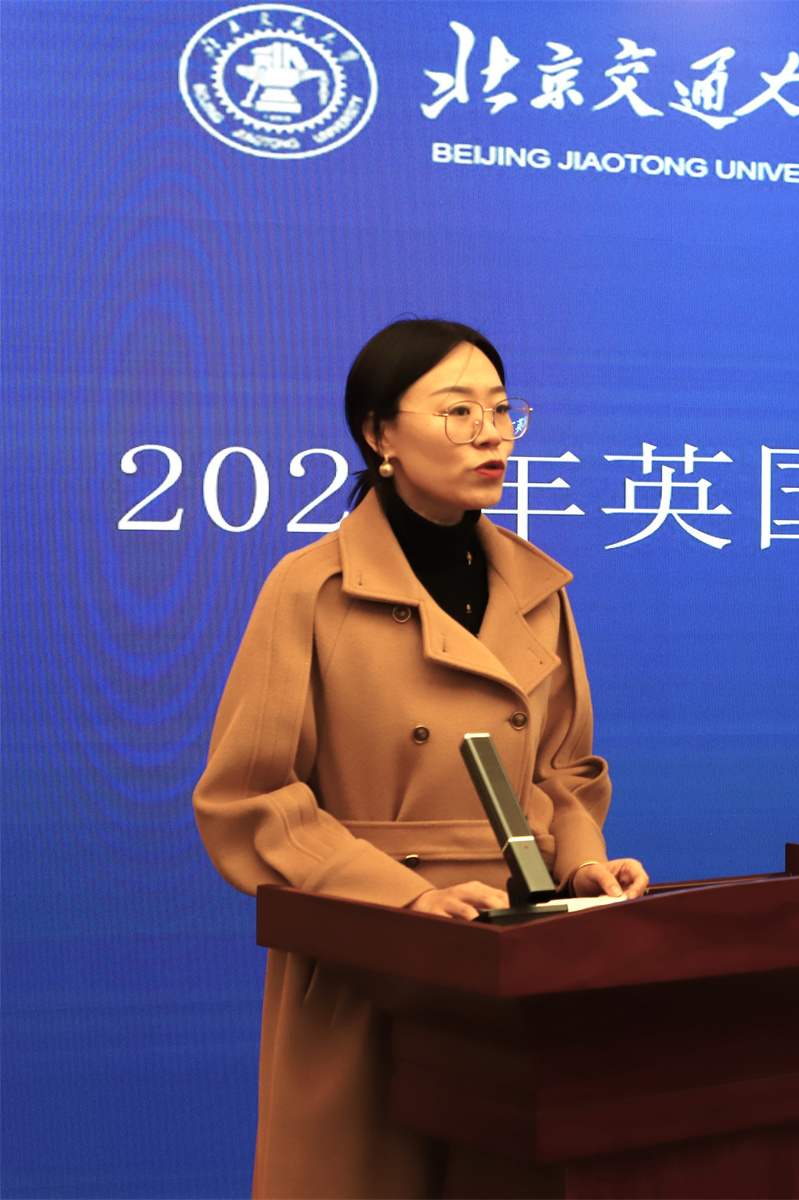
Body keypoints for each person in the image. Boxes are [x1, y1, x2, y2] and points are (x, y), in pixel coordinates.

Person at [193, 319, 647, 1198]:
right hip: (373, 950)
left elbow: (563, 771)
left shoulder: (536, 589)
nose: (491, 434)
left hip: (515, 952)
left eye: (502, 411)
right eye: (457, 410)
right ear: (379, 434)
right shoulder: (312, 587)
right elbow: (250, 796)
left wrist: (582, 867)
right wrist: (401, 898)